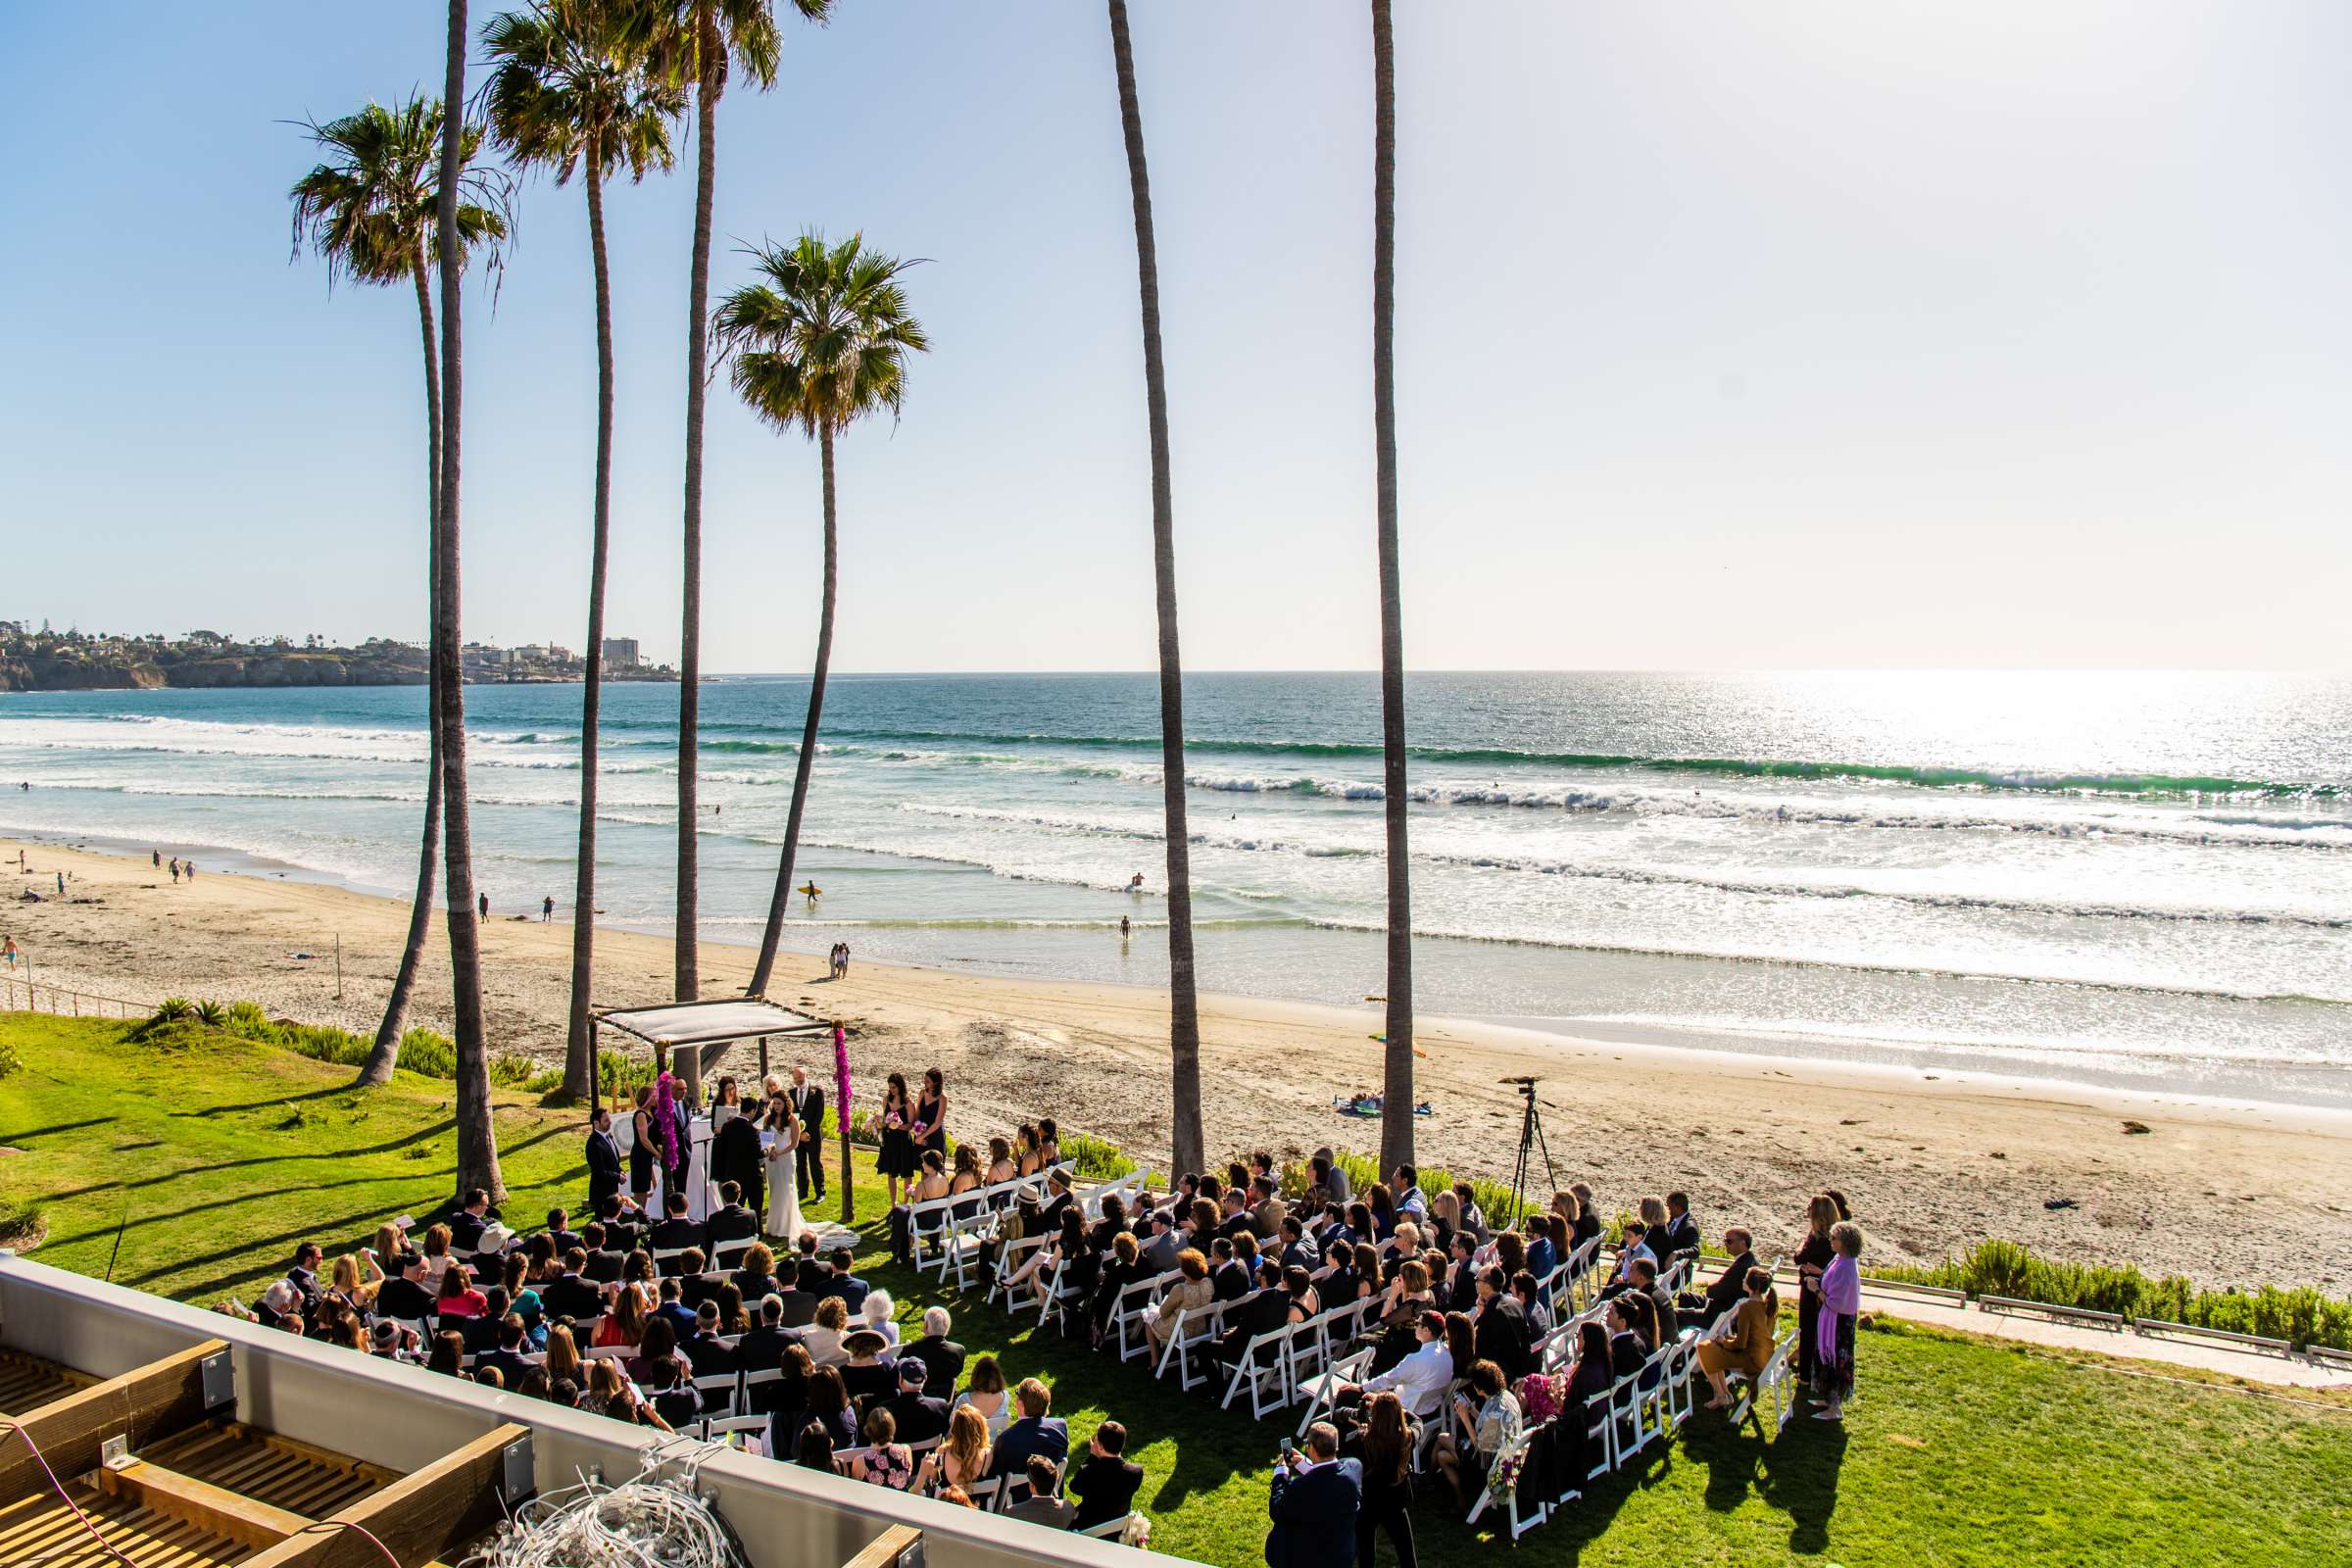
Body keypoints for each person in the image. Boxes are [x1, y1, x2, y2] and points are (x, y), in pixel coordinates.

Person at [1265, 1422, 1360, 1568]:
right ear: (1336, 1446)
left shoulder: (1301, 1487)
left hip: (1309, 1559)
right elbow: (1331, 1473)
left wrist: (1281, 1475)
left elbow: (1277, 1511)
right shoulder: (1354, 1468)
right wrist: (1306, 1464)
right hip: (1342, 1556)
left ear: (1311, 1448)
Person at [1432, 1359, 1519, 1513]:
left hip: (1490, 1464)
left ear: (1480, 1389)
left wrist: (1465, 1419)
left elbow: (1480, 1448)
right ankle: (1435, 1480)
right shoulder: (1506, 1397)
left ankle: (1460, 1501)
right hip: (1507, 1455)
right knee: (1442, 1452)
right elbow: (1492, 1428)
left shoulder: (1494, 1410)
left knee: (1441, 1448)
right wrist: (1472, 1410)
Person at [1347, 1391, 1414, 1568]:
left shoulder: (1362, 1440)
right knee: (1407, 1556)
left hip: (1368, 1503)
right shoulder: (1407, 1438)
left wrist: (1364, 1426)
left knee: (1366, 1557)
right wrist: (1398, 1408)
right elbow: (1418, 1422)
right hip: (1395, 1504)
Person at [1697, 1266, 1781, 1409]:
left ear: (1751, 1285)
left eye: (1745, 1278)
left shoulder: (1747, 1307)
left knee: (1703, 1348)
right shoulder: (1768, 1305)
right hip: (1764, 1356)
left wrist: (1725, 1341)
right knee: (1712, 1347)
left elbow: (1740, 1344)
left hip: (1751, 1360)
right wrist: (1727, 1340)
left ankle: (1721, 1395)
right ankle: (1724, 1395)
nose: (1743, 1280)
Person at [1813, 1221, 1864, 1421]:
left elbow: (1836, 1302)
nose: (1830, 1241)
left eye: (1834, 1238)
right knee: (1827, 1361)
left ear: (1845, 1243)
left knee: (1836, 1363)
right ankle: (1828, 1399)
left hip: (1839, 1324)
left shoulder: (1846, 1268)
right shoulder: (1838, 1260)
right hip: (1831, 1319)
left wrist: (1816, 1290)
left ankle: (1835, 1407)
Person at [1792, 1194, 1838, 1393]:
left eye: (1810, 1207)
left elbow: (1798, 1257)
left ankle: (1805, 1376)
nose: (1807, 1211)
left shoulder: (1816, 1238)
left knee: (1808, 1330)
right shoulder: (1834, 1238)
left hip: (1812, 1290)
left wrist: (1802, 1245)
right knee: (1819, 1332)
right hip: (1824, 1288)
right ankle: (1812, 1372)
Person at [986, 1378, 1069, 1483]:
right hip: (1051, 1494)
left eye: (1017, 1393)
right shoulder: (1060, 1428)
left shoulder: (1006, 1439)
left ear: (1020, 1404)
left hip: (1018, 1498)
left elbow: (997, 1479)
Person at [1069, 1419, 1144, 1533]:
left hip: (1087, 1530)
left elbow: (1074, 1487)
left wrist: (1093, 1456)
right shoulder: (1135, 1472)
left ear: (1100, 1446)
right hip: (1117, 1531)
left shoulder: (1088, 1472)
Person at [710, 1093, 765, 1224]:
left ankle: (733, 1228)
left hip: (733, 1172)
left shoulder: (727, 1126)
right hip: (751, 1174)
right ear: (752, 1111)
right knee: (755, 1206)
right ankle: (756, 1231)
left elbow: (722, 1149)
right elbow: (758, 1153)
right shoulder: (752, 1130)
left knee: (734, 1206)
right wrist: (769, 1150)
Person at [917, 1403, 994, 1494]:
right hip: (973, 1507)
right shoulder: (988, 1455)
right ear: (981, 1428)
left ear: (953, 1430)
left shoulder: (942, 1452)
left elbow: (932, 1485)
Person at [760, 1094, 805, 1242]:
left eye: (779, 1103)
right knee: (774, 1189)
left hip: (786, 1157)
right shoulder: (768, 1119)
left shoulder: (793, 1120)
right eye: (774, 1103)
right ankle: (774, 1225)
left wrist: (779, 1152)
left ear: (785, 1104)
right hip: (771, 1158)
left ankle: (787, 1225)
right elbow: (764, 1139)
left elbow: (794, 1143)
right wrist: (770, 1152)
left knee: (786, 1189)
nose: (776, 1106)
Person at [881, 1357, 949, 1446]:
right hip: (929, 1457)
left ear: (900, 1380)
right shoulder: (941, 1406)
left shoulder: (885, 1410)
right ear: (925, 1379)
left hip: (898, 1458)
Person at [876, 1073, 918, 1206]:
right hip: (889, 1140)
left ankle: (905, 1202)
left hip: (903, 1141)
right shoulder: (886, 1099)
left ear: (900, 1086)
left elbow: (911, 1125)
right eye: (890, 1087)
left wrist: (897, 1126)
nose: (891, 1090)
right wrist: (880, 1123)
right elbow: (885, 1119)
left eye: (894, 1087)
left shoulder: (908, 1103)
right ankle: (893, 1203)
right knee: (891, 1172)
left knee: (906, 1173)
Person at [851, 1405, 915, 1491]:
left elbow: (855, 1491)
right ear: (892, 1428)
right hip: (901, 1502)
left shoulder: (860, 1461)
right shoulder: (905, 1450)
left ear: (868, 1430)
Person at [904, 1304, 967, 1392]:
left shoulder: (911, 1350)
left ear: (926, 1326)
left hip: (919, 1398)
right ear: (947, 1327)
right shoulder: (959, 1351)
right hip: (946, 1399)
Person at [788, 1066, 826, 1201]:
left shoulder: (817, 1092)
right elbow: (790, 1114)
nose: (797, 1079)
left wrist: (808, 1132)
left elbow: (819, 1115)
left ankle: (820, 1192)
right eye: (795, 1077)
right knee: (800, 1163)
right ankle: (802, 1191)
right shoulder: (791, 1093)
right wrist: (798, 1133)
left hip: (813, 1135)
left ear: (806, 1075)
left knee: (815, 1163)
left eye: (800, 1076)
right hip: (797, 1135)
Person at [628, 1087, 659, 1212]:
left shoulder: (651, 1112)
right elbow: (644, 1139)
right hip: (640, 1156)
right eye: (653, 1096)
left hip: (646, 1156)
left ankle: (643, 1217)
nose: (655, 1098)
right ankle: (639, 1218)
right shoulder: (641, 1114)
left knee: (645, 1189)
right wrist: (657, 1154)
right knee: (640, 1191)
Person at [911, 1067, 949, 1160]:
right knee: (923, 1166)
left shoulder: (942, 1098)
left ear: (936, 1082)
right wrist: (917, 1132)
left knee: (934, 1166)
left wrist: (922, 1136)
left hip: (934, 1135)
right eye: (925, 1080)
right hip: (921, 1130)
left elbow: (938, 1122)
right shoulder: (922, 1093)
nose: (925, 1083)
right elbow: (917, 1113)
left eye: (928, 1081)